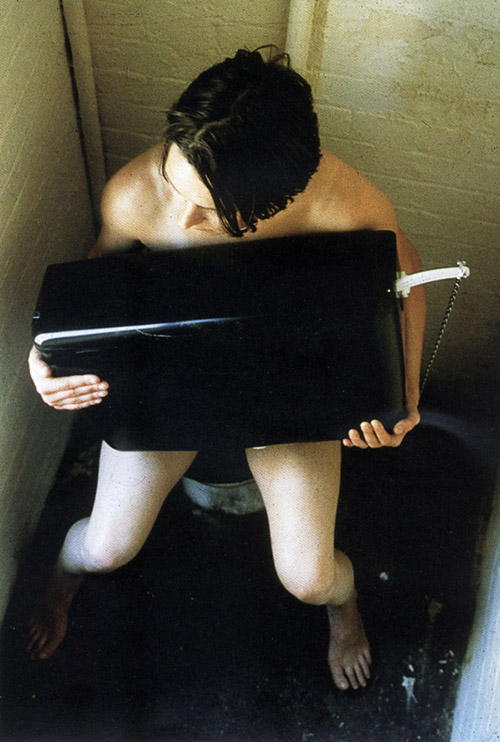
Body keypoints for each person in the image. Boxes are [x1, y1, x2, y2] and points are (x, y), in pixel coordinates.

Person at [26, 47, 424, 692]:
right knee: (105, 547)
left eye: (210, 211)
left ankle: (344, 608)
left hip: (289, 381)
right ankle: (61, 582)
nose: (182, 219)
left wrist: (404, 394)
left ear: (276, 199)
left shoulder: (342, 202)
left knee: (310, 577)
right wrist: (44, 361)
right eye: (176, 182)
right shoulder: (135, 194)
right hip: (171, 383)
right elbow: (88, 295)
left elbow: (404, 280)